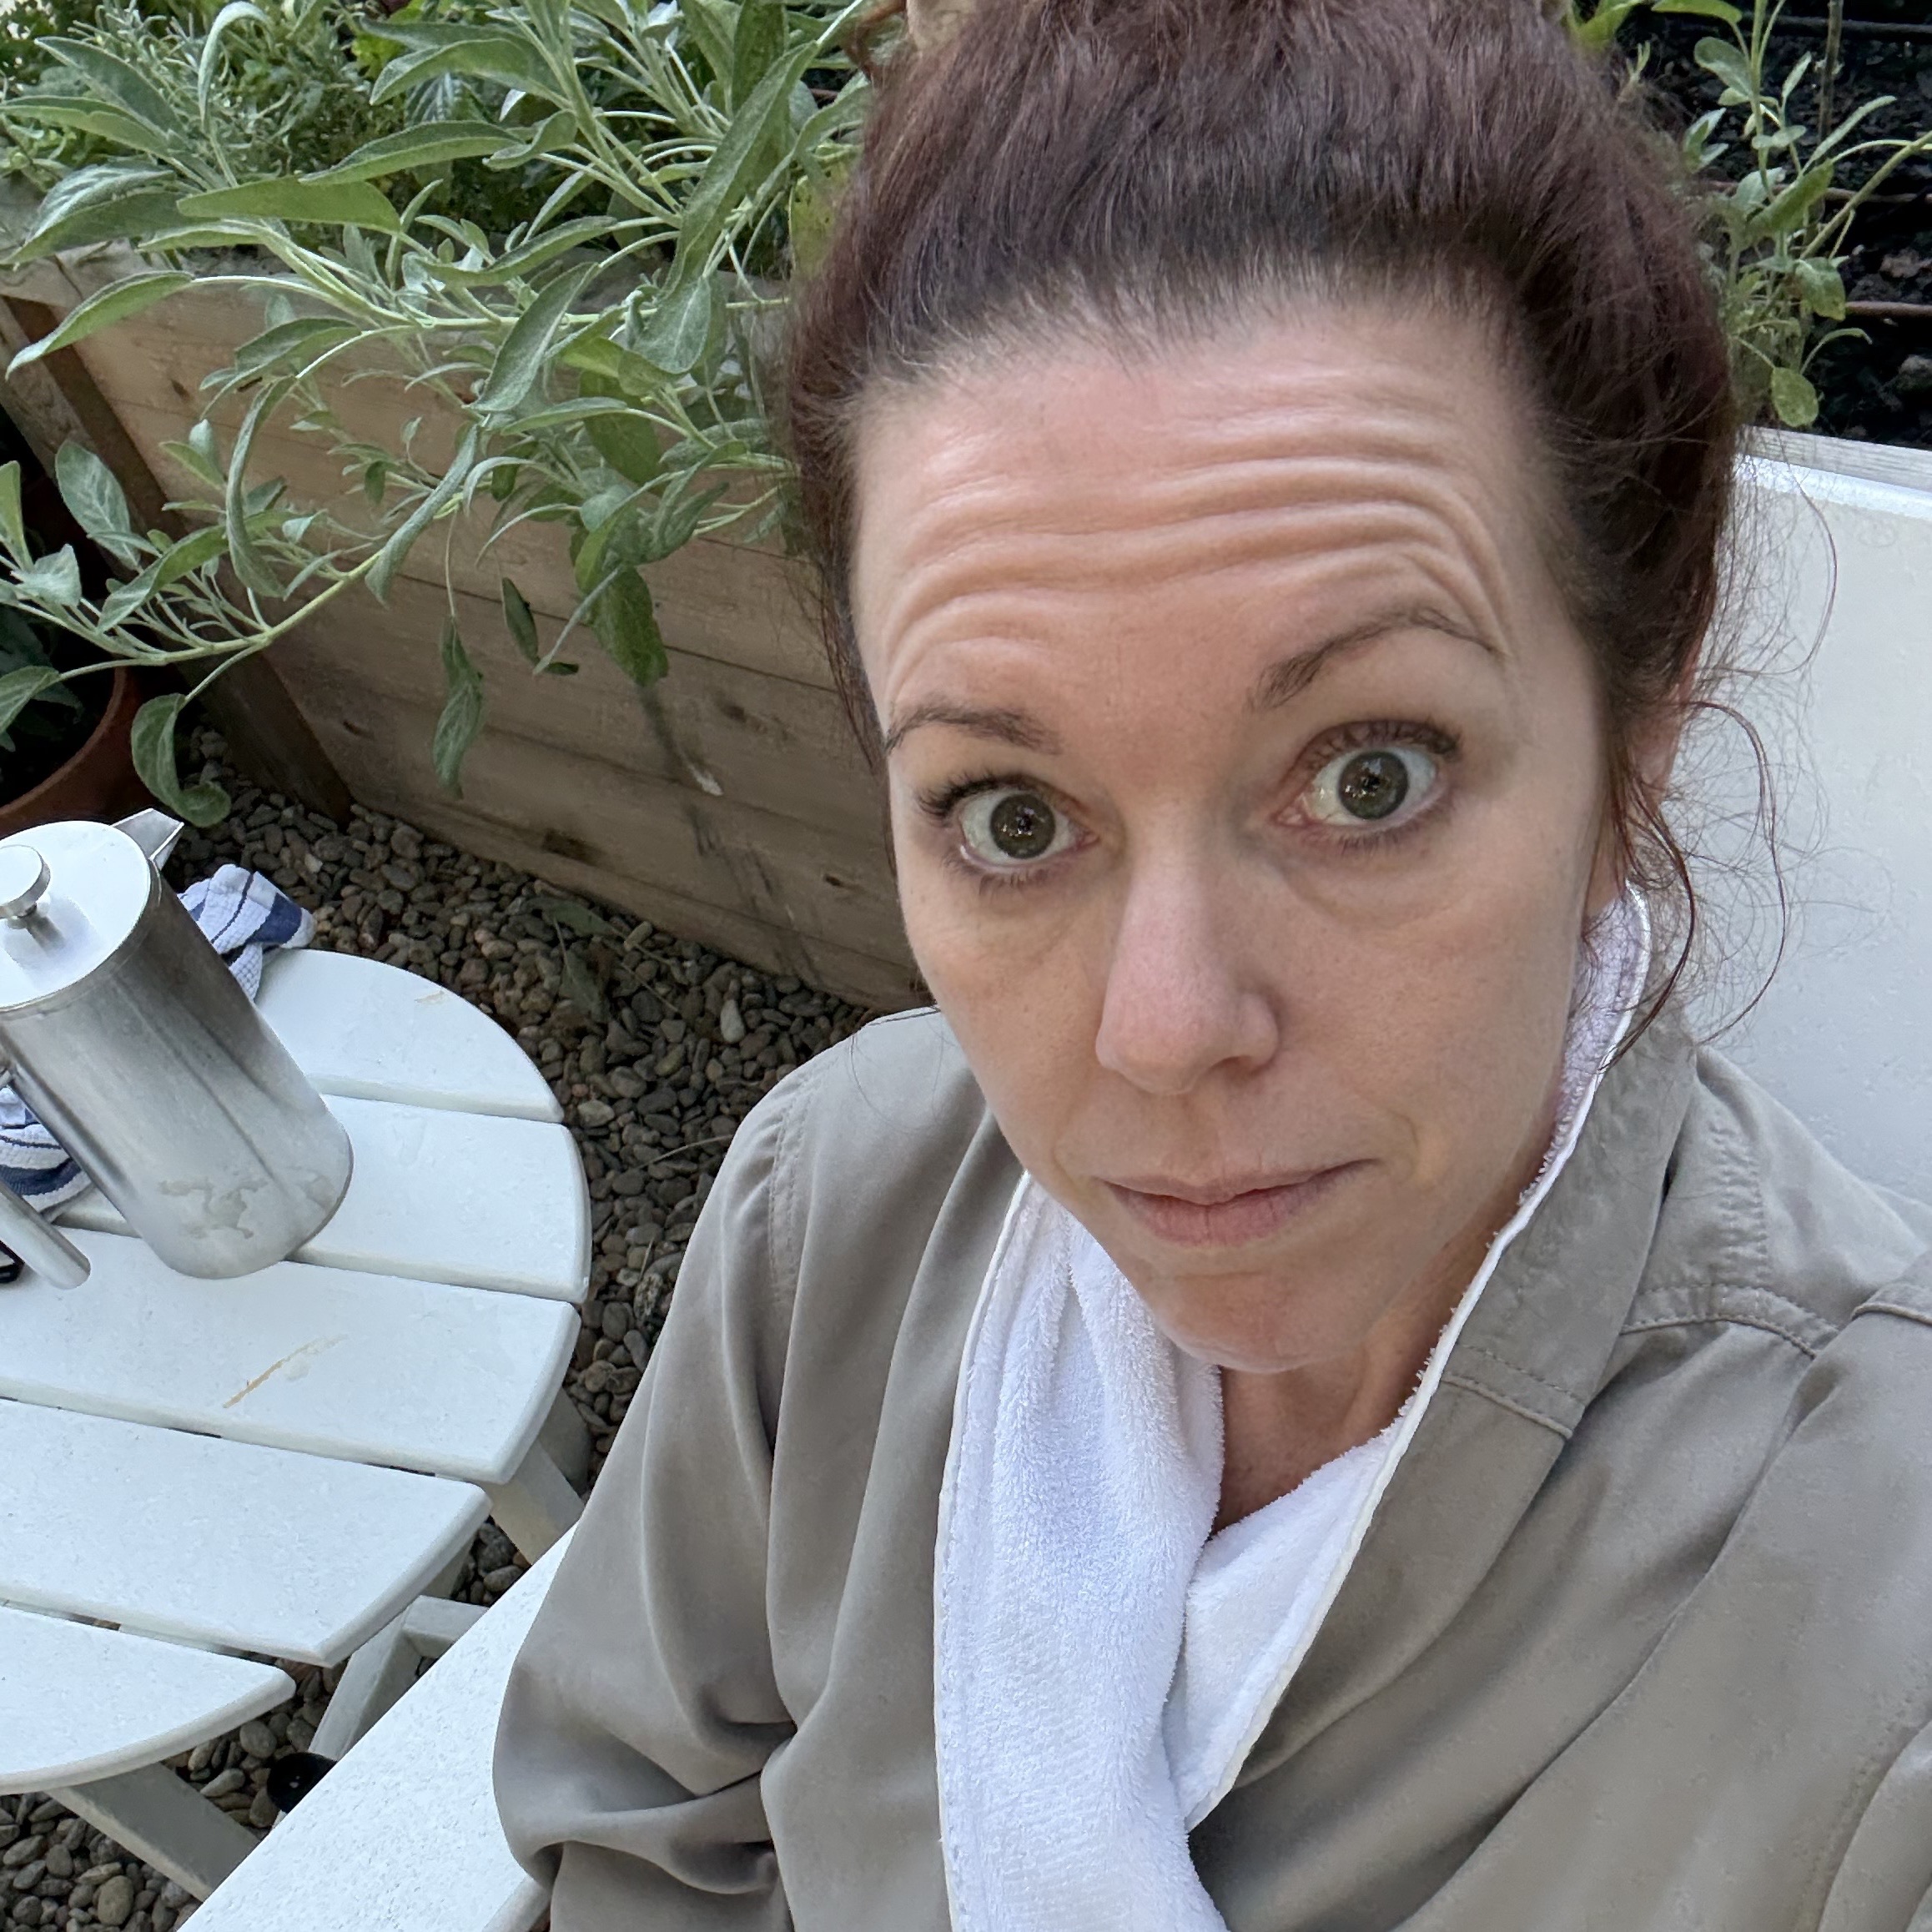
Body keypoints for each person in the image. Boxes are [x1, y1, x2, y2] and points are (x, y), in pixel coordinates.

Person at [493, 1, 1932, 1925]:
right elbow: (635, 1831)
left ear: (1633, 742)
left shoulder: (1878, 1636)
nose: (1165, 1033)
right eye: (1013, 815)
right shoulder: (829, 1223)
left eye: (1369, 776)